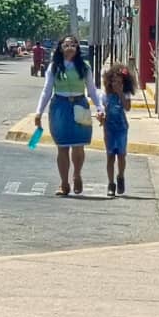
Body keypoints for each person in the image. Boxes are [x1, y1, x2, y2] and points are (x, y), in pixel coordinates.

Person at [33, 35, 103, 196]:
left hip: (80, 105)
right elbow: (47, 90)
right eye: (66, 45)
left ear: (77, 48)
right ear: (60, 48)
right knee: (62, 147)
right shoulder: (54, 67)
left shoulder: (84, 67)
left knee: (78, 146)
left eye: (73, 44)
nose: (69, 47)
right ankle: (64, 183)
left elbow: (92, 90)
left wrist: (100, 108)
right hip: (60, 107)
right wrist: (39, 112)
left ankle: (77, 175)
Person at [97, 64, 135, 196]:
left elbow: (127, 107)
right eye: (114, 81)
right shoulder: (105, 95)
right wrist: (101, 115)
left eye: (119, 82)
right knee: (110, 156)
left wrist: (120, 93)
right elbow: (101, 109)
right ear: (109, 81)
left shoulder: (125, 94)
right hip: (109, 129)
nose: (116, 84)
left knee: (121, 155)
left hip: (122, 128)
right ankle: (111, 183)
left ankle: (121, 176)